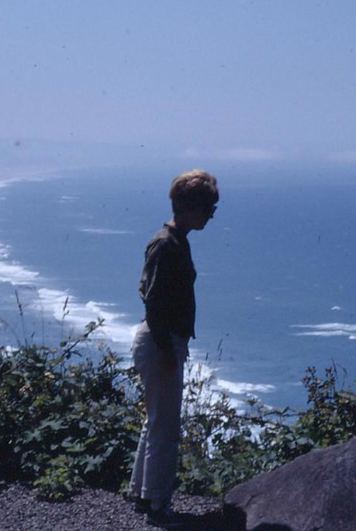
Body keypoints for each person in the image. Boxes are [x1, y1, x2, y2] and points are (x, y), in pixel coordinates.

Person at [128, 169, 219, 527]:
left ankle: (143, 493)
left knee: (156, 423)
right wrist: (167, 349)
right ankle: (158, 507)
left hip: (159, 339)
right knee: (165, 427)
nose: (211, 214)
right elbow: (153, 301)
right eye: (207, 207)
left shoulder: (175, 239)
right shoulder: (167, 244)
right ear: (189, 207)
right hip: (159, 341)